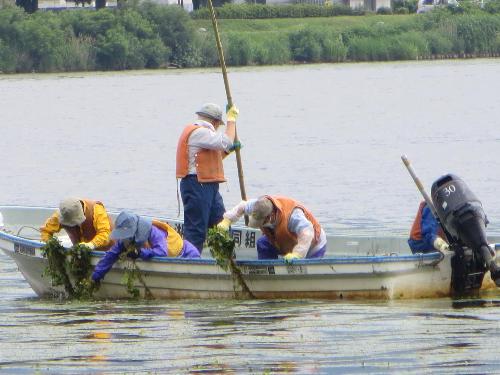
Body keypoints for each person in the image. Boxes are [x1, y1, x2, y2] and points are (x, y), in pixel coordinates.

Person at [176, 103, 240, 252]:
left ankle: (228, 262)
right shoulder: (199, 132)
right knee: (196, 229)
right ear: (216, 122)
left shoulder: (203, 134)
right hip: (196, 184)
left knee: (221, 224)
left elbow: (208, 161)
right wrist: (231, 120)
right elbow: (226, 141)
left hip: (208, 185)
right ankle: (190, 262)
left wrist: (229, 151)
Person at [91, 211, 200, 282]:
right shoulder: (125, 241)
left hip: (187, 254)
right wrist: (96, 276)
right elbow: (111, 255)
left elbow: (162, 252)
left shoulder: (154, 232)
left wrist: (140, 253)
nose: (124, 237)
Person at [217, 195, 327, 261]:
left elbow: (307, 234)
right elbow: (241, 207)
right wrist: (226, 221)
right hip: (283, 240)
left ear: (271, 216)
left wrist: (297, 254)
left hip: (313, 244)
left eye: (262, 222)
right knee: (263, 243)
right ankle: (268, 273)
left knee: (302, 269)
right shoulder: (259, 205)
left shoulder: (293, 216)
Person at [40, 197, 113, 250]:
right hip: (78, 254)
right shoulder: (63, 213)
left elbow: (105, 234)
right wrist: (50, 243)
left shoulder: (96, 210)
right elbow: (45, 231)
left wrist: (91, 245)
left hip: (109, 251)